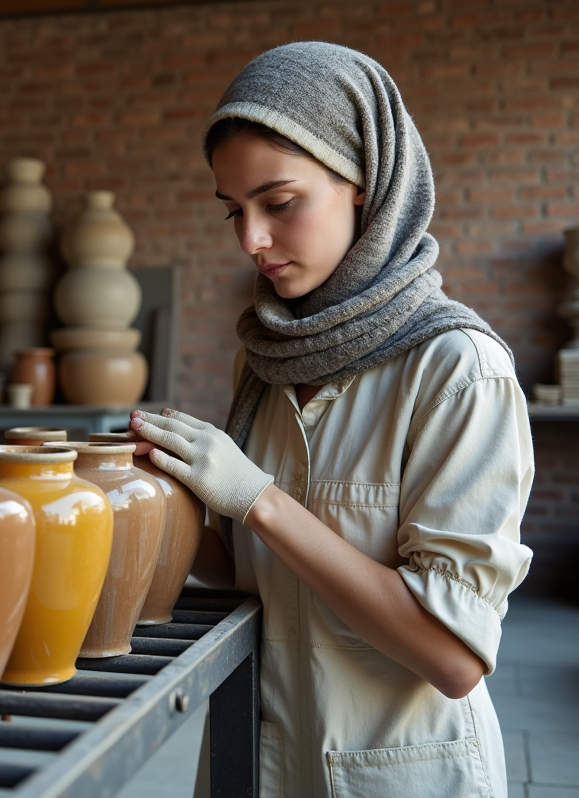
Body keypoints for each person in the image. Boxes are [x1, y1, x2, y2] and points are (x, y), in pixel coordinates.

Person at [130, 41, 533, 797]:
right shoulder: (268, 356)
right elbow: (248, 573)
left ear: (364, 183)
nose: (251, 240)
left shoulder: (457, 369)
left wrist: (259, 498)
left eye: (279, 204)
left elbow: (453, 657)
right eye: (234, 212)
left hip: (395, 774)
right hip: (253, 760)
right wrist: (170, 499)